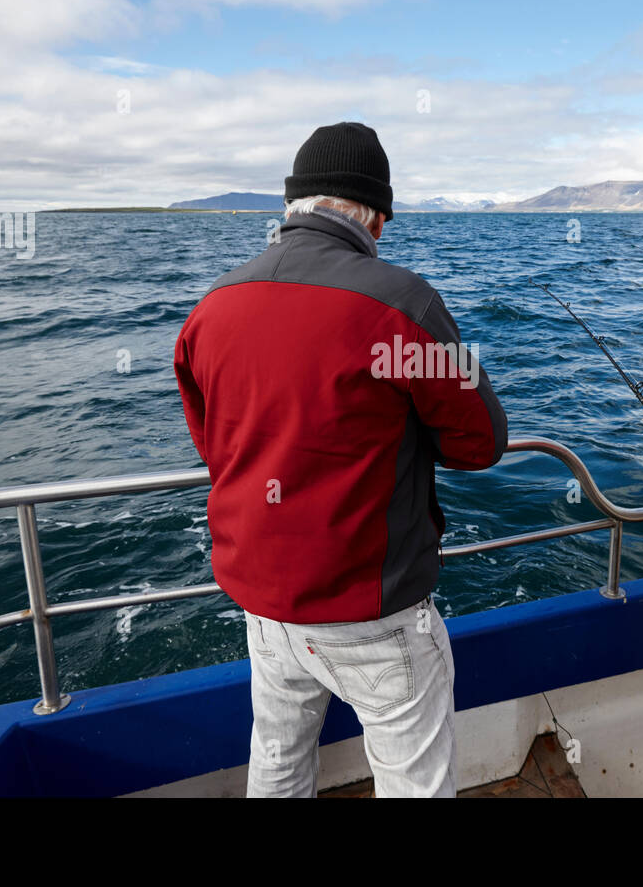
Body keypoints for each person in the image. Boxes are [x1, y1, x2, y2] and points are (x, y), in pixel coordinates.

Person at [174, 121, 507, 797]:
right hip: (374, 613)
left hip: (265, 606)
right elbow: (481, 444)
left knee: (276, 760)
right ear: (373, 215)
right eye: (384, 220)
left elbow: (218, 449)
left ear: (294, 205)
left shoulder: (210, 309)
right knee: (413, 781)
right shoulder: (402, 302)